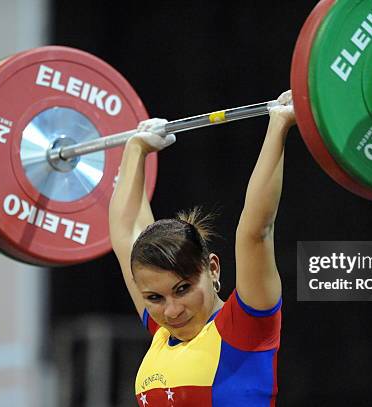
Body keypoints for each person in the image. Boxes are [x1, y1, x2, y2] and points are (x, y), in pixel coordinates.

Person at [109, 90, 295, 406]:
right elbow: (126, 232)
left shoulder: (245, 326)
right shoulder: (161, 330)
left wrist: (278, 125)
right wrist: (136, 148)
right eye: (154, 297)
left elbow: (256, 232)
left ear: (212, 268)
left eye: (183, 289)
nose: (171, 310)